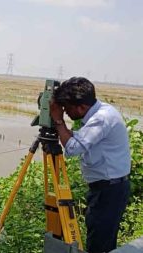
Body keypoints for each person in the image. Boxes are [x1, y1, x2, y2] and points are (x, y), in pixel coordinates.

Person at [49, 77, 131, 253]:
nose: (66, 112)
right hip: (110, 188)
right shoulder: (102, 112)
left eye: (67, 108)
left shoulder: (101, 119)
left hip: (108, 192)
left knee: (99, 245)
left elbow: (72, 148)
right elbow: (81, 137)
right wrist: (64, 129)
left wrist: (58, 121)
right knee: (103, 240)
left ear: (81, 107)